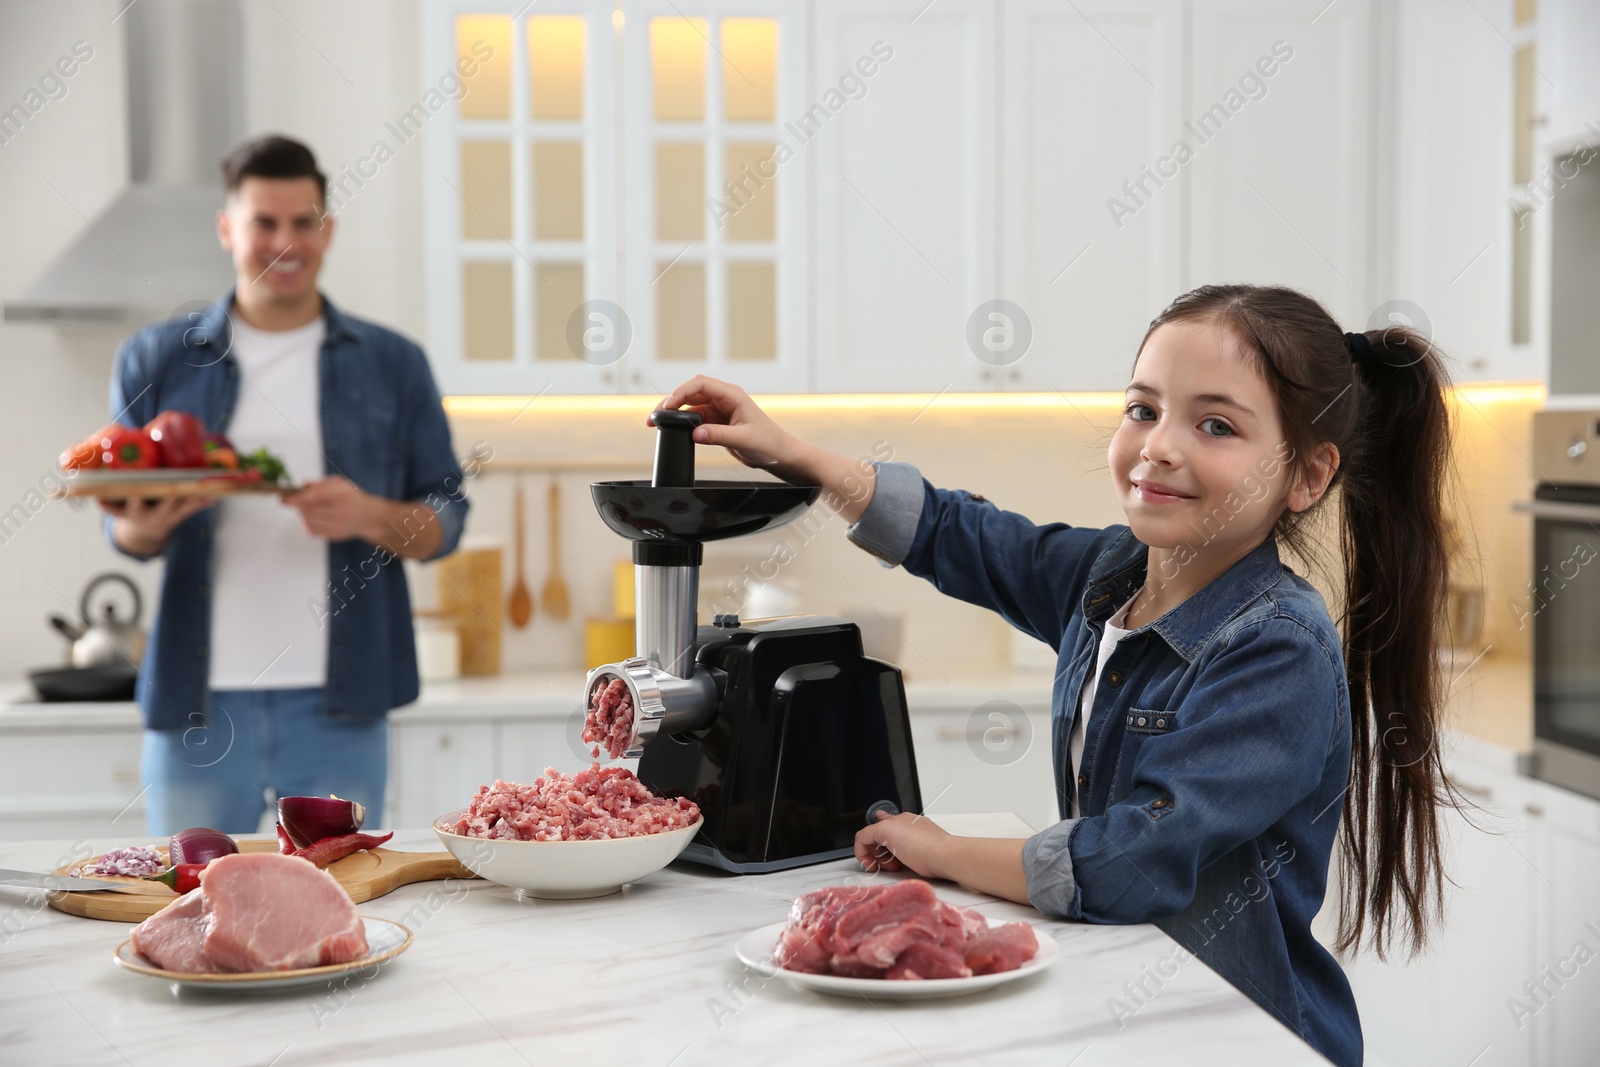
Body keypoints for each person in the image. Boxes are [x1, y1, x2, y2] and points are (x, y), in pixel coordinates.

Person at [657, 284, 1459, 1067]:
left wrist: (940, 848)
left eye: (1215, 424)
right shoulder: (1112, 576)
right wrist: (794, 453)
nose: (1159, 445)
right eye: (1143, 408)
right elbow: (957, 535)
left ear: (1308, 476)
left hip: (1240, 1031)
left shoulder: (1277, 649)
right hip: (1135, 1012)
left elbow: (1128, 862)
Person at [102, 134, 469, 836]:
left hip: (343, 700)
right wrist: (145, 528)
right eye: (264, 222)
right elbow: (119, 521)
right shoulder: (154, 358)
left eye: (304, 221)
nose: (285, 241)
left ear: (327, 229)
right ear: (226, 228)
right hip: (196, 704)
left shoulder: (394, 363)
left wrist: (371, 514)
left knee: (333, 904)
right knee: (187, 909)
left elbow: (445, 519)